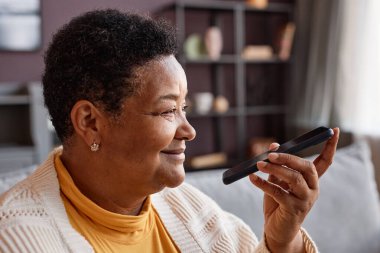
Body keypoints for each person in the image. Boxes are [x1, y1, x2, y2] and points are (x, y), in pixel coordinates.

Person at [0, 9, 339, 253]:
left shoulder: (185, 205)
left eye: (184, 108)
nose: (189, 130)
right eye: (167, 110)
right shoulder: (17, 237)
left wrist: (282, 243)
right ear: (90, 122)